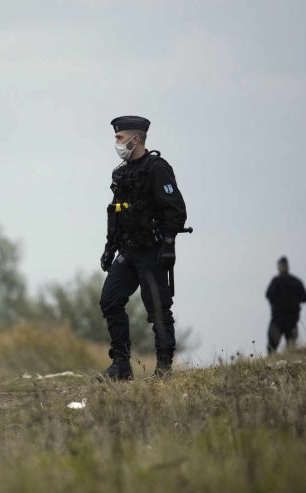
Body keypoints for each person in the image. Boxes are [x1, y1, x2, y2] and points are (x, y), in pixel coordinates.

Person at [98, 116, 187, 380]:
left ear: (135, 139)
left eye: (119, 138)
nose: (116, 143)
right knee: (110, 301)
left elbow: (176, 210)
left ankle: (164, 368)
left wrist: (169, 244)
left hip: (152, 250)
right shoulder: (121, 173)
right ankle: (121, 366)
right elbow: (115, 213)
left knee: (157, 308)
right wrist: (109, 248)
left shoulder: (157, 168)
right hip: (127, 251)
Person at [266, 256, 306, 353]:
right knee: (291, 351)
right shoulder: (296, 282)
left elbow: (268, 295)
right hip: (291, 321)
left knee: (272, 350)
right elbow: (305, 298)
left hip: (278, 321)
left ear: (279, 267)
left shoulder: (276, 281)